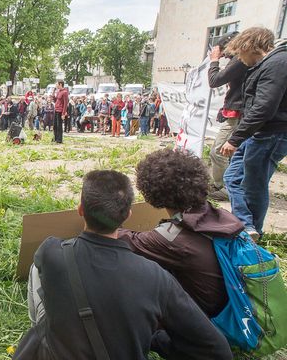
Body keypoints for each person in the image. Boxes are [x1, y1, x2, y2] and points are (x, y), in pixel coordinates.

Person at [14, 170, 232, 360]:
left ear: (80, 209)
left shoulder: (51, 251)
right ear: (128, 215)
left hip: (59, 350)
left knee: (36, 269)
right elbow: (216, 349)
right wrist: (157, 340)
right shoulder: (156, 278)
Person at [118, 149, 243, 318]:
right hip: (235, 305)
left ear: (150, 192)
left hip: (212, 324)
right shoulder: (217, 215)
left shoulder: (174, 239)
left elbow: (127, 240)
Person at [221, 27, 287, 239]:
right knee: (232, 177)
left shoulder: (277, 63)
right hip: (257, 133)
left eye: (240, 53)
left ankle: (252, 232)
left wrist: (235, 138)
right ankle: (247, 225)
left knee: (253, 184)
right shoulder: (270, 64)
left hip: (270, 134)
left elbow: (264, 107)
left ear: (249, 46)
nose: (239, 58)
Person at [207, 32, 249, 201]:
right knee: (232, 154)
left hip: (239, 115)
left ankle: (222, 187)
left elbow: (215, 80)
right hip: (237, 111)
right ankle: (227, 185)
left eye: (225, 53)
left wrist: (214, 60)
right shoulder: (244, 60)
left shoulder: (241, 59)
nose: (225, 57)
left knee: (218, 151)